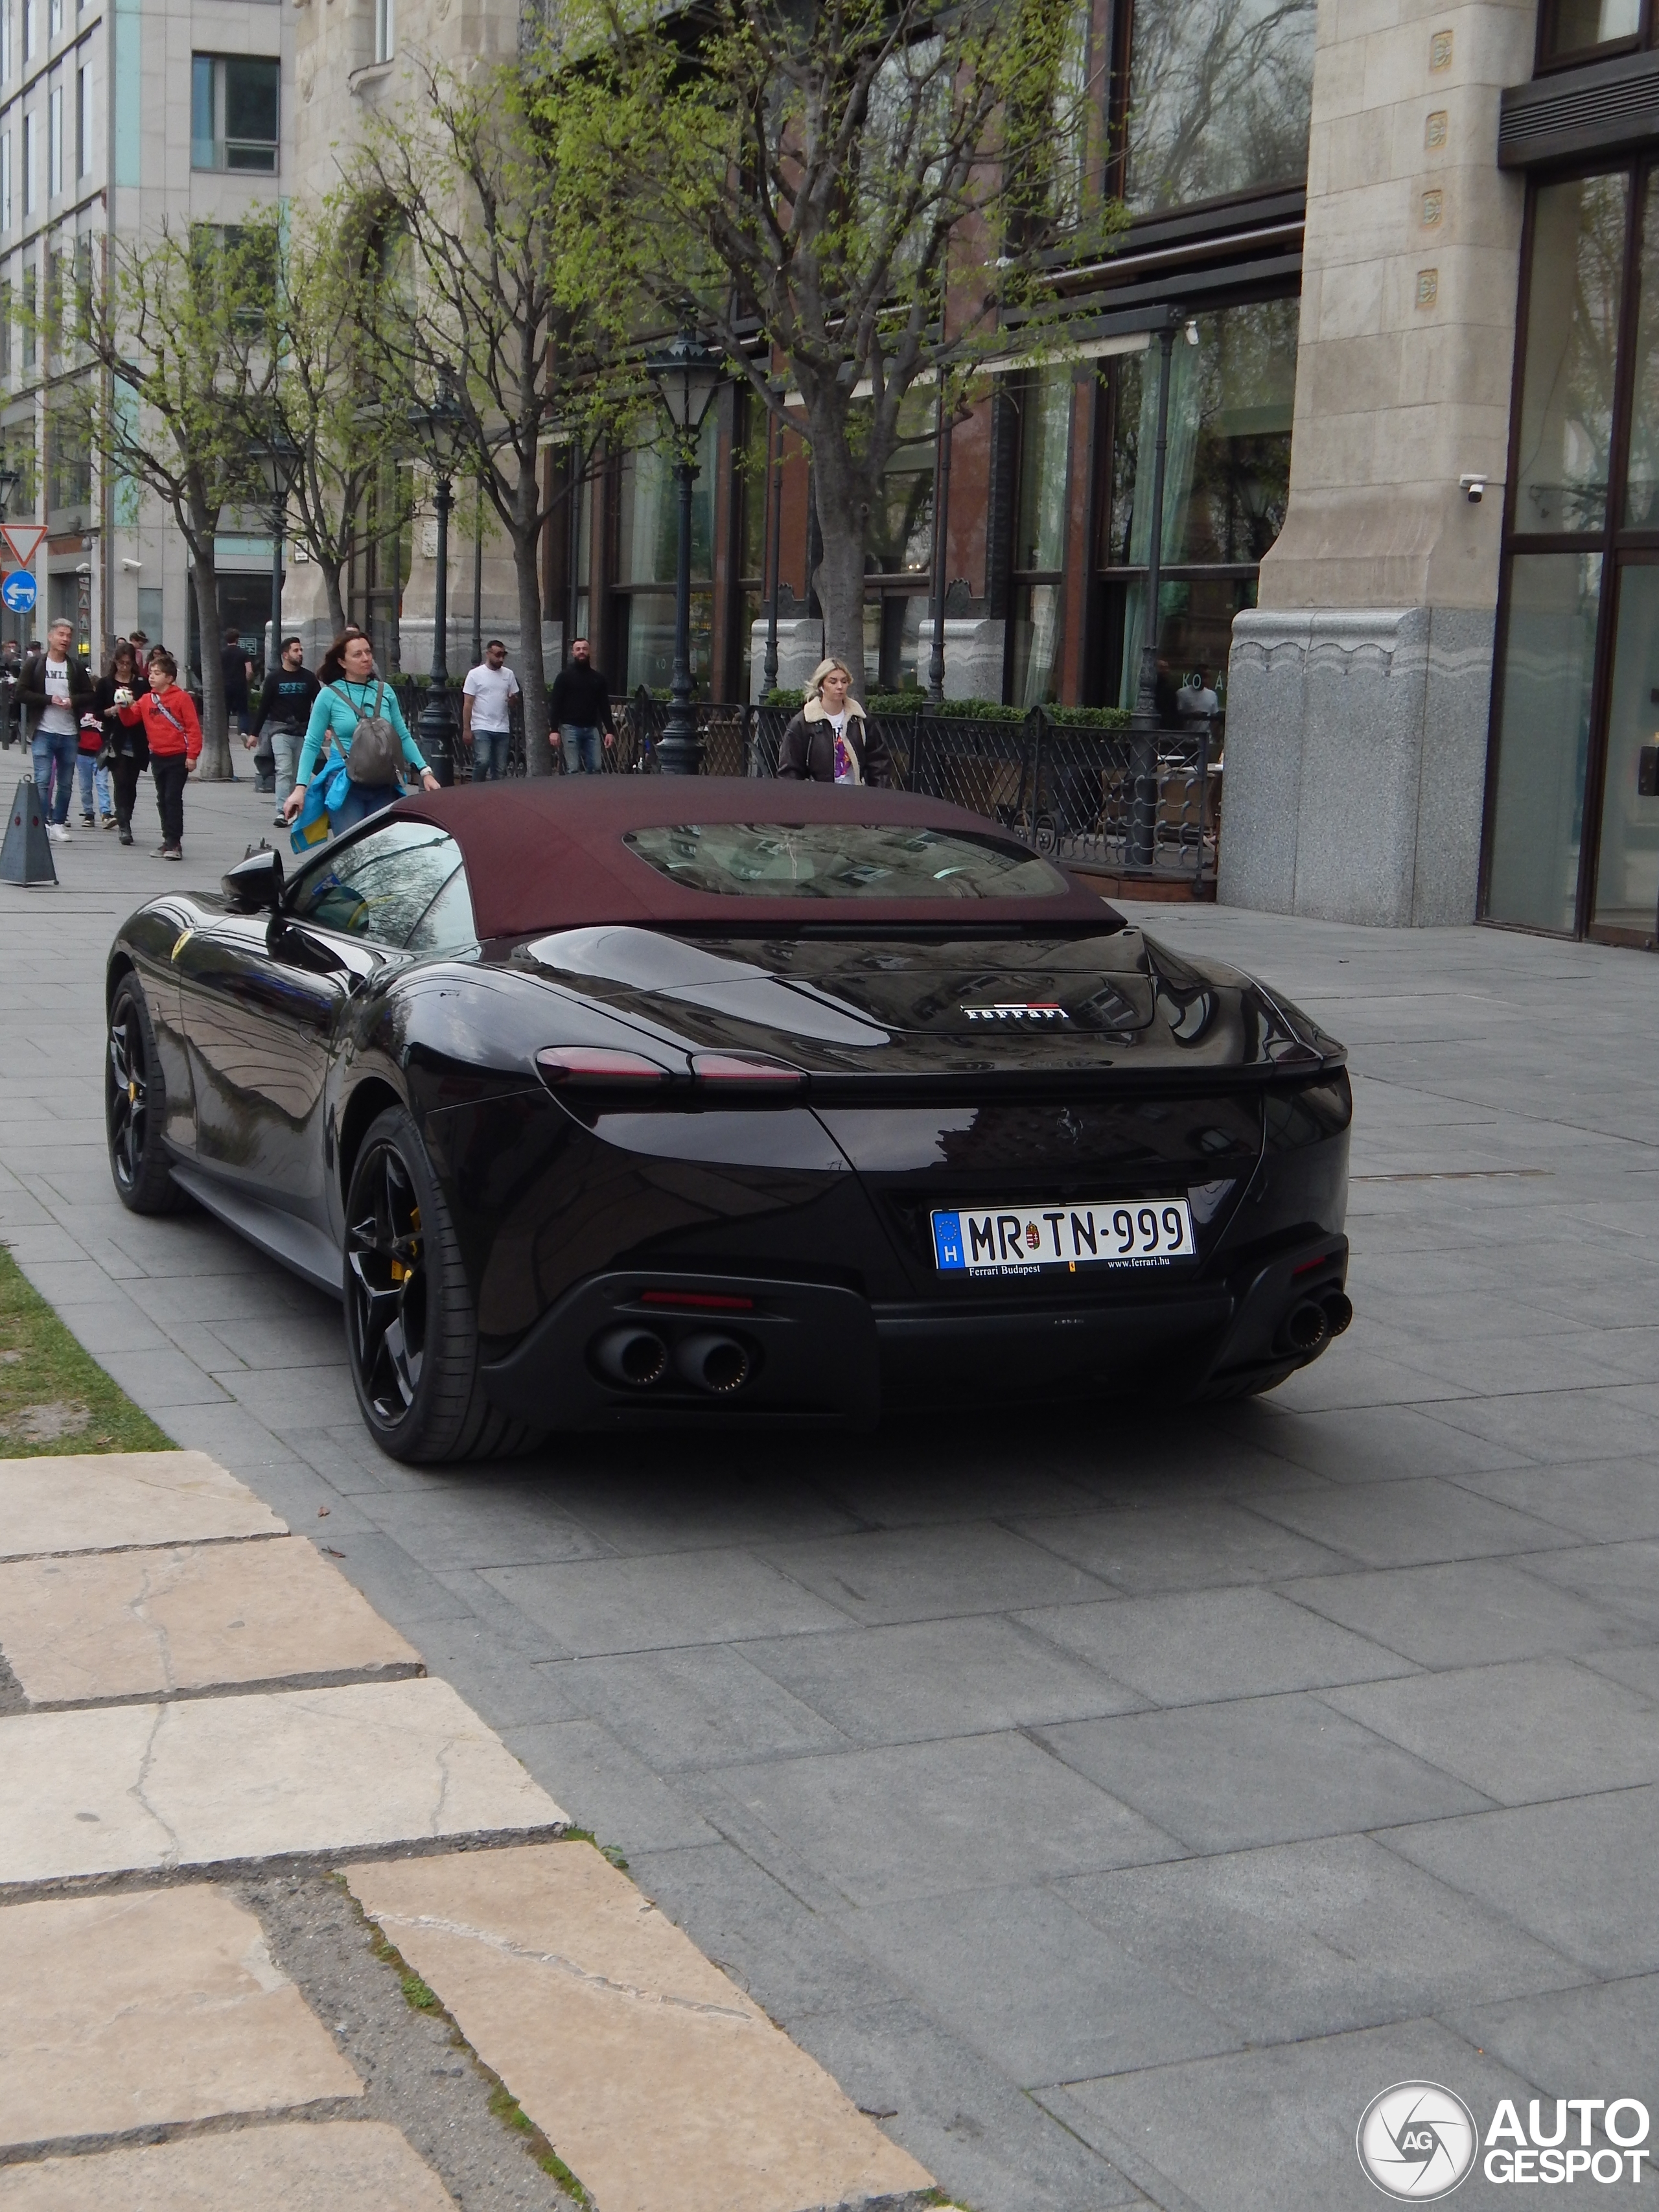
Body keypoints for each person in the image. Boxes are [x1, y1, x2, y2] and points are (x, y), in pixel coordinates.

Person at [281, 630, 440, 834]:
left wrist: (425, 772)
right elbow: (312, 743)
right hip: (344, 782)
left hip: (383, 781)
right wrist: (300, 788)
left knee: (380, 849)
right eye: (357, 654)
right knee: (351, 851)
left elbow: (402, 735)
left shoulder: (385, 691)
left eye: (368, 652)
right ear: (342, 662)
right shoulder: (328, 695)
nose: (366, 658)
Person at [115, 649, 200, 859]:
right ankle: (167, 840)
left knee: (172, 797)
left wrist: (192, 755)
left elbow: (193, 728)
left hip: (178, 755)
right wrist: (124, 706)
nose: (152, 676)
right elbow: (130, 720)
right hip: (158, 756)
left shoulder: (181, 698)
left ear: (170, 678)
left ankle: (175, 843)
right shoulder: (146, 699)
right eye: (151, 672)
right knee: (162, 798)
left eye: (157, 673)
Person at [19, 618, 95, 841]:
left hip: (69, 732)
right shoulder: (35, 665)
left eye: (68, 636)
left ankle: (59, 823)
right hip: (43, 730)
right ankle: (43, 821)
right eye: (61, 634)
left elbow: (90, 695)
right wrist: (48, 699)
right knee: (43, 780)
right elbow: (22, 693)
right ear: (51, 637)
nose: (65, 640)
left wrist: (73, 701)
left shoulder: (75, 667)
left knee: (65, 782)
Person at [776, 656, 888, 784]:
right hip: (818, 798)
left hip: (855, 797)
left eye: (844, 681)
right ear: (821, 686)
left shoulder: (861, 720)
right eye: (833, 682)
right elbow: (789, 769)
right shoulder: (804, 722)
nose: (840, 686)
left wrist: (876, 796)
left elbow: (879, 764)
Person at [255, 636, 321, 826]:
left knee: (301, 773)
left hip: (303, 731)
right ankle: (282, 811)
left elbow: (319, 704)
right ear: (285, 655)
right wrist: (254, 733)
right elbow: (264, 706)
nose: (300, 654)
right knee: (284, 769)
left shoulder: (308, 677)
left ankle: (299, 807)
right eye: (296, 650)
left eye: (301, 650)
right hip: (280, 730)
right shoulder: (274, 679)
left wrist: (325, 727)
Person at [94, 641, 149, 846]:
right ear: (115, 662)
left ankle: (126, 816)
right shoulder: (106, 684)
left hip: (136, 739)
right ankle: (124, 826)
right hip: (115, 738)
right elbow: (96, 711)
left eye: (128, 663)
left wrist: (135, 708)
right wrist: (110, 711)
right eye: (121, 663)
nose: (124, 667)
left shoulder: (141, 684)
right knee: (121, 779)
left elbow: (149, 707)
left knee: (131, 783)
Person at [548, 638, 616, 774]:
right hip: (570, 728)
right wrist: (554, 730)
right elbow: (555, 704)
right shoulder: (564, 677)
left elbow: (604, 705)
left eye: (584, 649)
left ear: (590, 652)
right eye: (578, 649)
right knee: (573, 769)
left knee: (596, 767)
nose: (581, 652)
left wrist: (610, 731)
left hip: (592, 728)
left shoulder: (598, 679)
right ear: (573, 653)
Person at [460, 638, 520, 782]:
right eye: (498, 655)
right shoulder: (475, 674)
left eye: (503, 655)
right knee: (483, 761)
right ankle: (476, 791)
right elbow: (468, 703)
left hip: (502, 727)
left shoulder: (509, 675)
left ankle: (495, 797)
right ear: (488, 654)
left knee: (500, 768)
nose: (501, 659)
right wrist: (467, 729)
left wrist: (513, 700)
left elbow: (514, 700)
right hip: (481, 725)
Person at [220, 625, 251, 777]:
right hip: (239, 685)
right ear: (237, 639)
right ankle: (244, 731)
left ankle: (224, 733)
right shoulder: (243, 653)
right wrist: (246, 681)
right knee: (243, 711)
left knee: (224, 712)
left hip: (225, 685)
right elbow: (249, 670)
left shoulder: (222, 653)